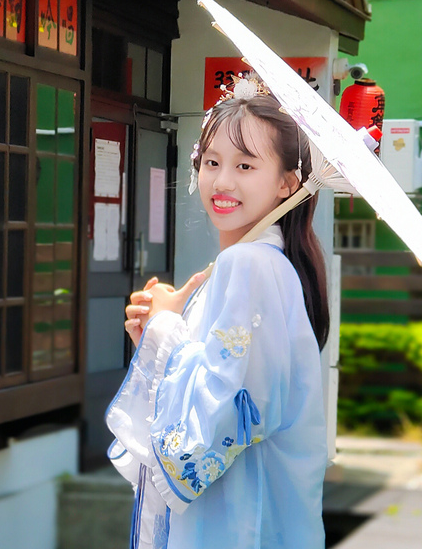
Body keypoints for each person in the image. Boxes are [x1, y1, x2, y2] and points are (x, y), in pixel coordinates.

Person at [105, 78, 330, 549]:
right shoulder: (263, 265)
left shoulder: (248, 264)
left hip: (239, 526)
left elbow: (220, 422)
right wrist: (158, 332)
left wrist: (165, 328)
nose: (222, 182)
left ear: (288, 183)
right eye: (212, 162)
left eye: (246, 165)